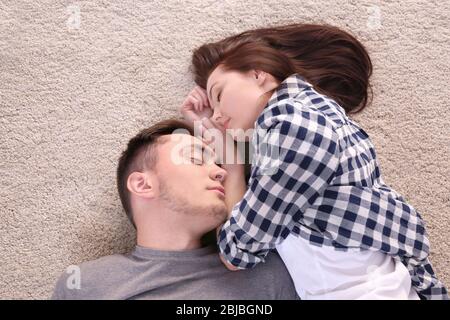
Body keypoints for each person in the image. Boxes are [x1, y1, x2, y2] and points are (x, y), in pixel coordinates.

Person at [179, 23, 448, 300]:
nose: (218, 115)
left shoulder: (296, 128)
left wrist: (233, 167)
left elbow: (236, 252)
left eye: (219, 95)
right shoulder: (305, 117)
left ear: (258, 74)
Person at [51, 119, 298, 300]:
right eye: (196, 159)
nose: (219, 172)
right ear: (143, 184)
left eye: (218, 164)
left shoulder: (269, 272)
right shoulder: (85, 284)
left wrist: (235, 171)